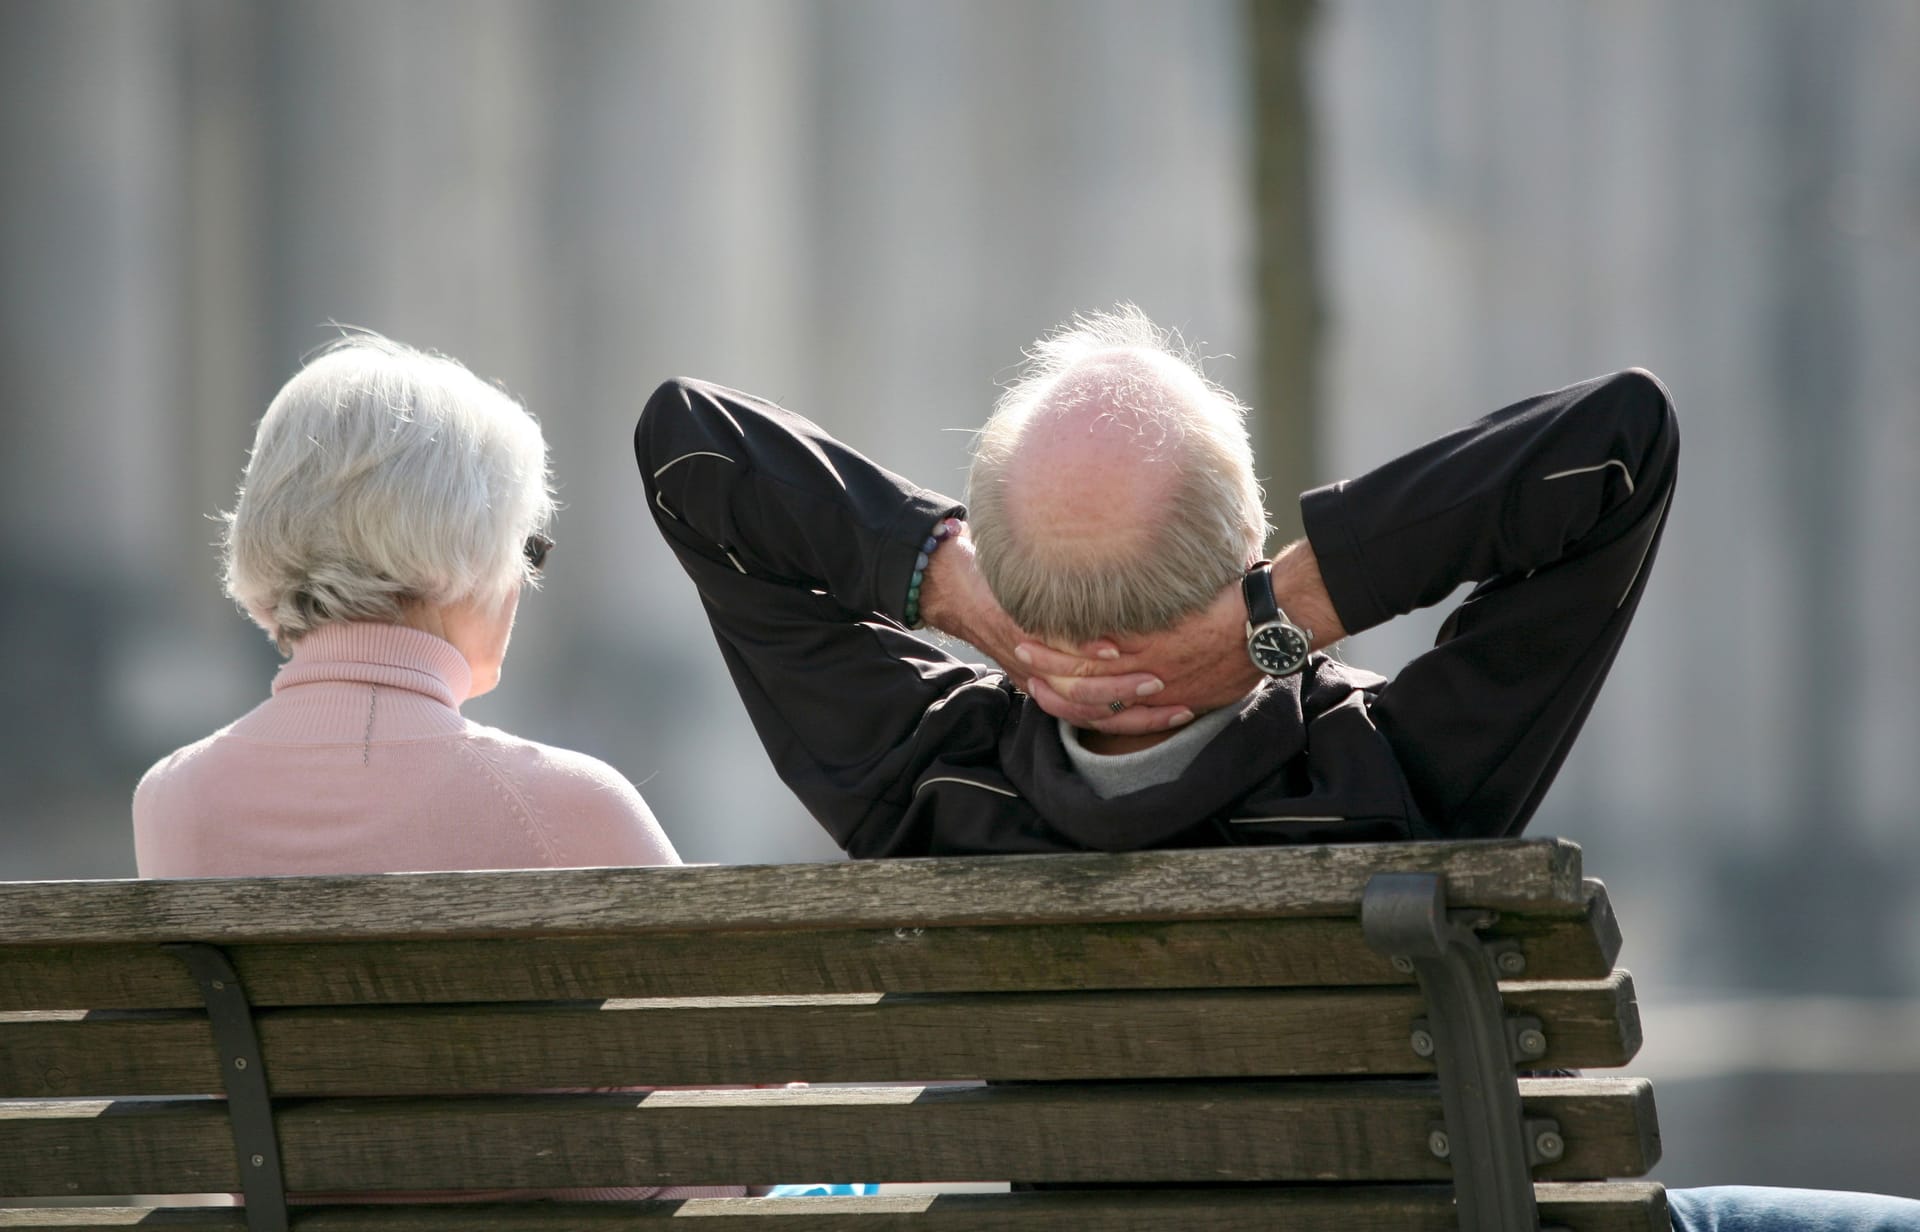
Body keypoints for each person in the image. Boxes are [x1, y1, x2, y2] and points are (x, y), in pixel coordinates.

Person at [635, 306, 1920, 1229]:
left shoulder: (927, 783)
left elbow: (691, 451)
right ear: (1249, 537)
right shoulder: (1388, 775)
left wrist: (969, 603)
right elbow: (1617, 445)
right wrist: (1279, 620)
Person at [136, 331, 738, 1202]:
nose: (523, 586)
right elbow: (728, 1102)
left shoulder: (172, 801)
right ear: (464, 552)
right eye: (526, 548)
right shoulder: (565, 808)